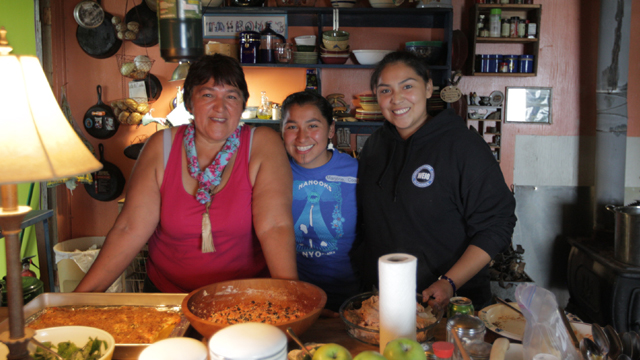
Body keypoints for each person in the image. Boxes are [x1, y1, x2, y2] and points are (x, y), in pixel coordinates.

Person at [75, 54, 297, 293]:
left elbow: (274, 226)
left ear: (242, 105)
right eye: (208, 95)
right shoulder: (161, 146)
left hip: (243, 297)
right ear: (189, 103)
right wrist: (78, 299)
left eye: (231, 96)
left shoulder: (262, 144)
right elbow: (130, 228)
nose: (220, 107)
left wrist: (294, 297)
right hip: (169, 297)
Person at [351, 51, 517, 309]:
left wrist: (450, 282)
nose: (396, 99)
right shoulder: (374, 147)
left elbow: (497, 224)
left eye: (407, 86)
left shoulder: (463, 146)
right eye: (385, 91)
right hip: (386, 300)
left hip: (452, 302)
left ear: (428, 87)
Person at [281, 91, 361, 313]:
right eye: (291, 126)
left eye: (313, 125)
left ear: (331, 130)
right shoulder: (273, 172)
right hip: (292, 300)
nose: (301, 137)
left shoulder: (357, 173)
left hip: (349, 303)